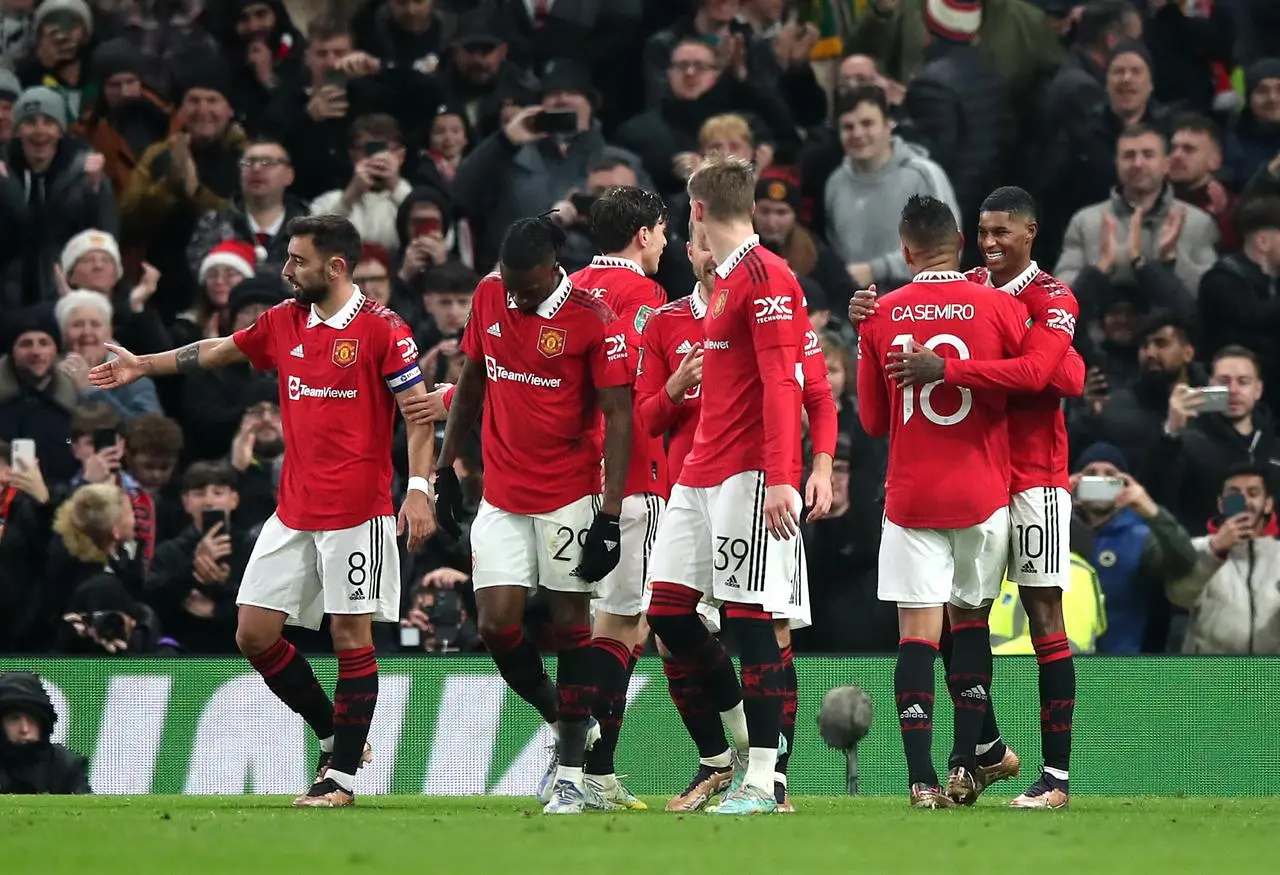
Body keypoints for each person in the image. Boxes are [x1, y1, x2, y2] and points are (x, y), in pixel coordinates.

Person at [87, 214, 438, 809]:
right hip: (294, 510)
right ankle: (335, 734)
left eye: (297, 260)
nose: (285, 270)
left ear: (335, 267)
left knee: (350, 635)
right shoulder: (284, 320)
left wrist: (421, 487)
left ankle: (341, 779)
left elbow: (418, 411)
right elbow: (220, 349)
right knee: (253, 632)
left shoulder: (384, 329)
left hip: (359, 511)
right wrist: (145, 364)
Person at [849, 186, 1087, 808]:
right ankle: (974, 756)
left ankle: (1054, 777)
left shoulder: (1052, 297)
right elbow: (1052, 372)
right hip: (982, 480)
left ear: (1031, 233)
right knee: (964, 619)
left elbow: (1060, 375)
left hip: (1034, 479)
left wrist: (947, 368)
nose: (990, 244)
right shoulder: (980, 291)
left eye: (1002, 232)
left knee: (1041, 618)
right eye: (982, 232)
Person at [424, 215, 633, 816]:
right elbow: (471, 383)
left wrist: (611, 515)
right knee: (494, 624)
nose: (518, 296)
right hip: (502, 495)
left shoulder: (593, 319)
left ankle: (570, 776)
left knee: (571, 627)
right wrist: (444, 466)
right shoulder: (491, 295)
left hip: (569, 494)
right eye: (511, 284)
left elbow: (619, 417)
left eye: (530, 286)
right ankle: (572, 724)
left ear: (555, 267)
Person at [638, 216, 837, 812]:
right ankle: (721, 757)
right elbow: (646, 419)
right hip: (693, 488)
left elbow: (814, 393)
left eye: (706, 240)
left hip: (755, 484)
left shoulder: (768, 298)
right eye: (694, 244)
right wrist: (675, 386)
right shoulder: (669, 322)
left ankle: (772, 777)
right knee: (669, 626)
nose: (701, 253)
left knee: (767, 627)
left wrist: (818, 467)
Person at [567, 185, 669, 810]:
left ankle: (595, 769)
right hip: (627, 478)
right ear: (642, 234)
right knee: (624, 621)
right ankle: (579, 767)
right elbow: (635, 390)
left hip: (570, 475)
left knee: (612, 626)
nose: (663, 242)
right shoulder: (647, 298)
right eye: (660, 232)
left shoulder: (568, 290)